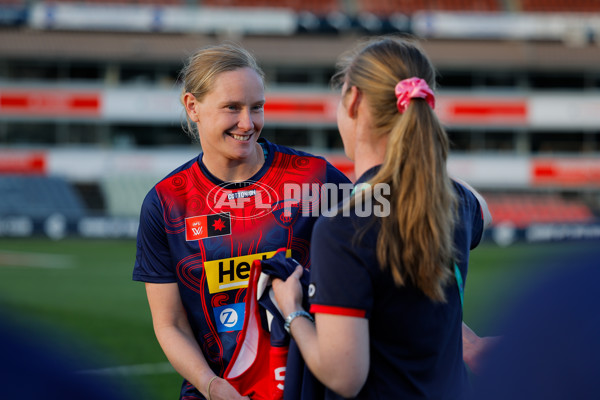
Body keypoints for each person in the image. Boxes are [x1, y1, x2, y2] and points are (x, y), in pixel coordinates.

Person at [272, 36, 493, 399]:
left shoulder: (343, 228)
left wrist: (292, 311)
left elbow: (344, 376)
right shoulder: (458, 204)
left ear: (354, 101)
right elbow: (476, 212)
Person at [132, 43, 350, 400]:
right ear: (193, 107)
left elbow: (390, 256)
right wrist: (212, 386)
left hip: (311, 389)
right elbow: (169, 323)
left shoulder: (314, 178)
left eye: (257, 107)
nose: (248, 123)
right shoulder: (166, 202)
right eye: (232, 107)